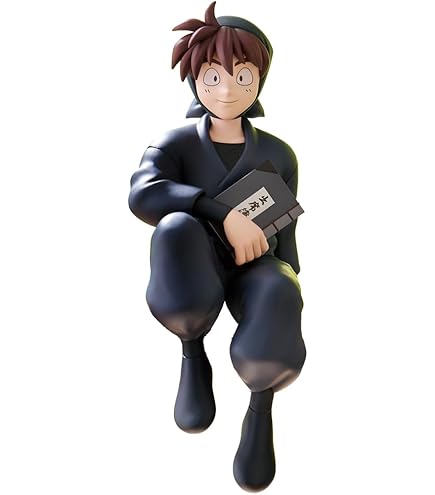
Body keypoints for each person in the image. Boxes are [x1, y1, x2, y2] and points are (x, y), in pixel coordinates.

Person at [128, 2, 306, 491]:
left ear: (260, 81)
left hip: (255, 265)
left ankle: (261, 404)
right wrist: (221, 213)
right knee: (174, 229)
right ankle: (193, 350)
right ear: (194, 80)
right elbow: (144, 194)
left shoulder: (278, 153)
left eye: (243, 77)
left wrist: (290, 278)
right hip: (195, 267)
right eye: (213, 77)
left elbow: (286, 230)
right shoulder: (174, 144)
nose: (227, 90)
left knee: (280, 289)